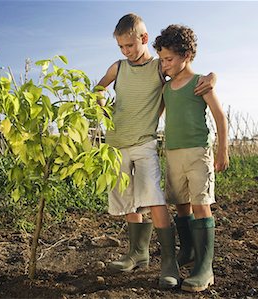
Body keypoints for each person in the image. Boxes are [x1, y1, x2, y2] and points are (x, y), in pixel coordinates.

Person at [96, 13, 216, 289]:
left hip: (144, 142)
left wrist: (212, 76)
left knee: (153, 198)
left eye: (130, 46)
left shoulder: (158, 68)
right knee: (127, 200)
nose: (126, 51)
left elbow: (184, 72)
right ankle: (137, 253)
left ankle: (169, 263)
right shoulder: (118, 67)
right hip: (115, 145)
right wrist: (100, 100)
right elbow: (98, 88)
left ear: (144, 39)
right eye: (121, 47)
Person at [153, 24, 229, 292]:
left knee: (200, 204)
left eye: (169, 59)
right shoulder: (166, 89)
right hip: (173, 153)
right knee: (180, 204)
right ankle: (188, 252)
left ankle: (205, 268)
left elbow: (220, 117)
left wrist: (222, 150)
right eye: (161, 60)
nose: (164, 65)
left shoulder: (201, 83)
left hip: (198, 152)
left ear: (186, 55)